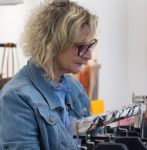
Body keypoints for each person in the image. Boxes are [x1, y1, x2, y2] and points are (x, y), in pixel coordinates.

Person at [0, 0, 98, 149]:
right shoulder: (16, 98)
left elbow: (95, 138)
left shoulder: (75, 88)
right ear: (51, 43)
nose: (89, 55)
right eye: (81, 46)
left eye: (90, 45)